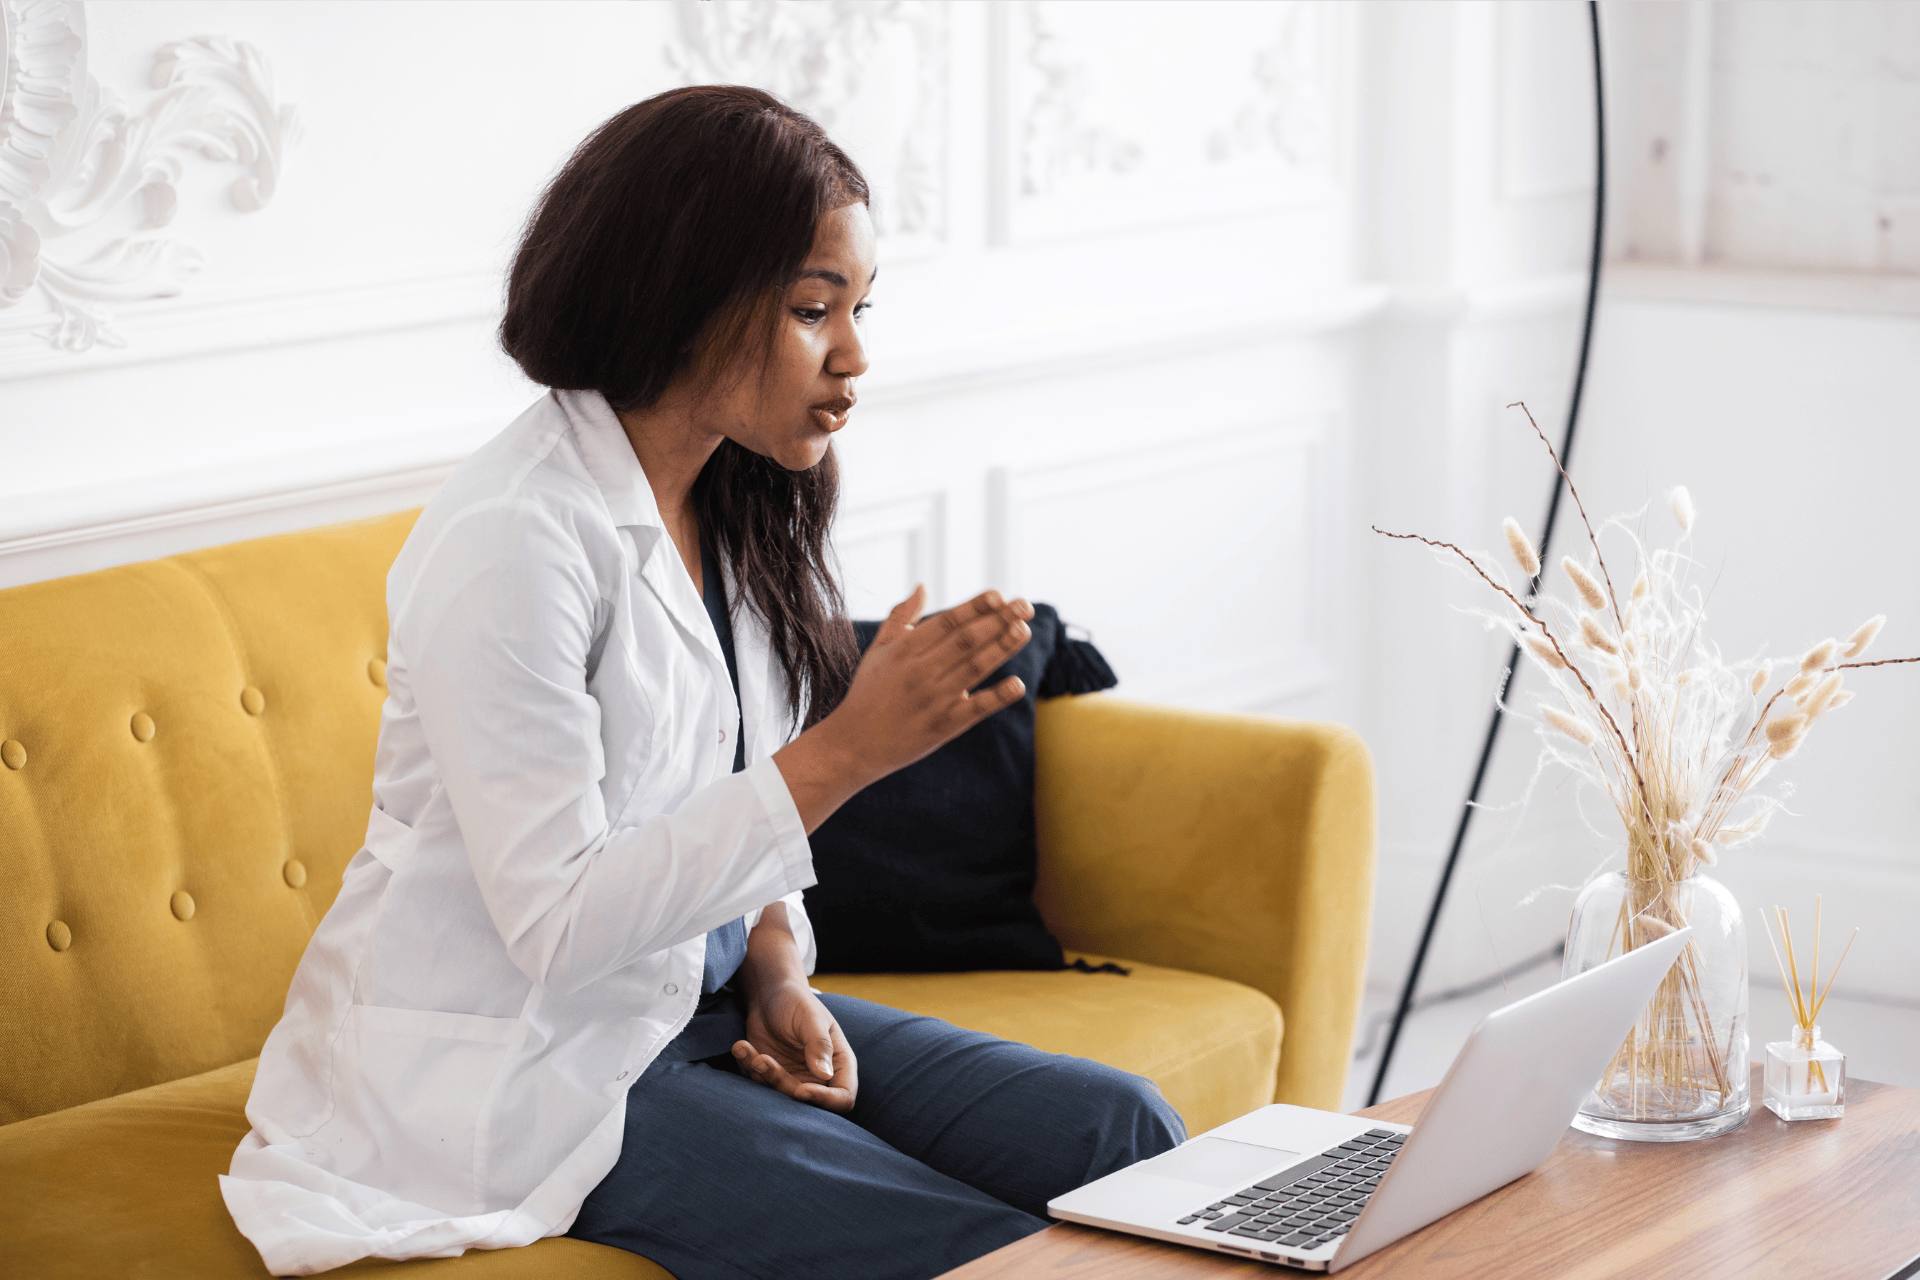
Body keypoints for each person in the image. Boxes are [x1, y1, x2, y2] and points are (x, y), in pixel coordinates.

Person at [221, 85, 1183, 1280]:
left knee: (1127, 1133)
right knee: (974, 1248)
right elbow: (559, 925)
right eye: (812, 309)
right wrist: (853, 747)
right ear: (684, 298)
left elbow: (721, 780)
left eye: (859, 306)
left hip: (703, 1001)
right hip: (537, 1062)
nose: (855, 353)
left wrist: (778, 965)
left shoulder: (738, 493)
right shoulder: (514, 537)